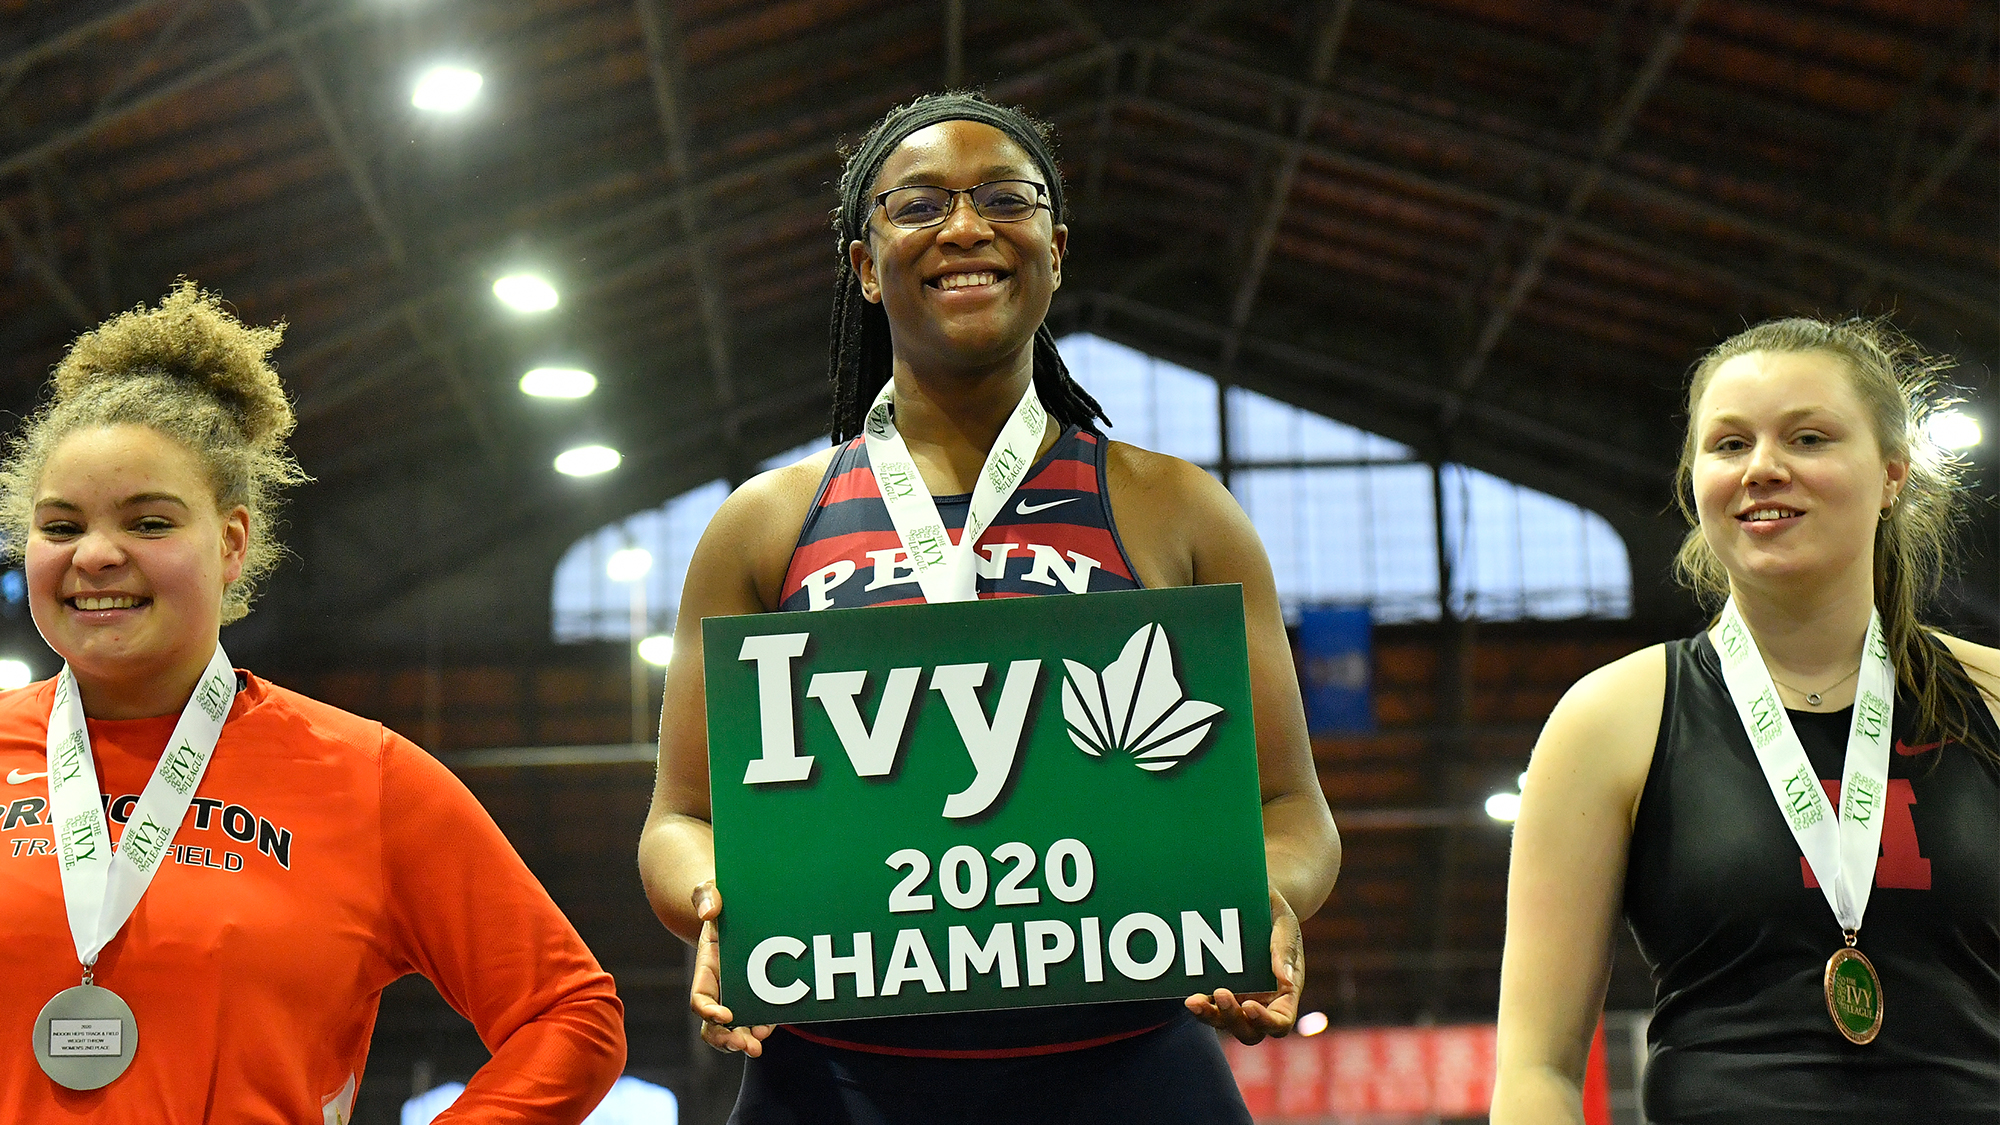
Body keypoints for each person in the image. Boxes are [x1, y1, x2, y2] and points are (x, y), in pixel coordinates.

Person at [637, 92, 1340, 1122]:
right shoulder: (765, 525)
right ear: (865, 268)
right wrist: (711, 897)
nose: (964, 226)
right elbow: (680, 818)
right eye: (917, 205)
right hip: (833, 1078)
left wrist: (1266, 895)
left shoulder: (1178, 510)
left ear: (1054, 250)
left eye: (1003, 199)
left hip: (1127, 1069)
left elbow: (1290, 808)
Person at [0, 284, 627, 1121]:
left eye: (150, 523)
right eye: (61, 524)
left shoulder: (367, 777)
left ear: (231, 542)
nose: (97, 554)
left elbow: (572, 1014)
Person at [1492, 317, 2000, 1123]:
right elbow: (1538, 1071)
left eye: (1808, 437)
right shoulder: (1611, 719)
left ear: (1894, 472)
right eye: (1729, 445)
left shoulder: (1993, 695)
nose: (1763, 467)